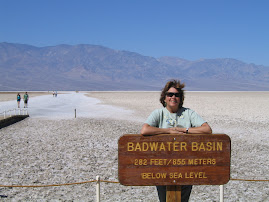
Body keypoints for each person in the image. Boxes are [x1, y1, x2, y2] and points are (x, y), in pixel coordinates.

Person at [140, 79, 212, 202]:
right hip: (162, 167)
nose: (173, 97)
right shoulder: (158, 113)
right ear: (164, 97)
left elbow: (207, 129)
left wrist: (185, 130)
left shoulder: (188, 113)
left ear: (181, 98)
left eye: (177, 95)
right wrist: (168, 131)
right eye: (170, 94)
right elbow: (145, 130)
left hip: (186, 167)